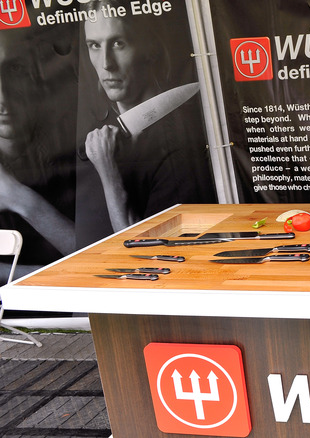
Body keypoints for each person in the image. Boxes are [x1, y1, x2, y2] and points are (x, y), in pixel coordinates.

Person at [80, 0, 215, 234]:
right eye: (94, 45)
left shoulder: (180, 148)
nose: (106, 64)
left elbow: (147, 251)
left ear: (151, 48)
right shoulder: (102, 137)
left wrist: (109, 174)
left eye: (119, 43)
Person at [0, 28, 78, 279]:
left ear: (36, 75)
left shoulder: (76, 148)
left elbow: (97, 257)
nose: (2, 97)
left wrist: (23, 200)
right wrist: (44, 277)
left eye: (13, 70)